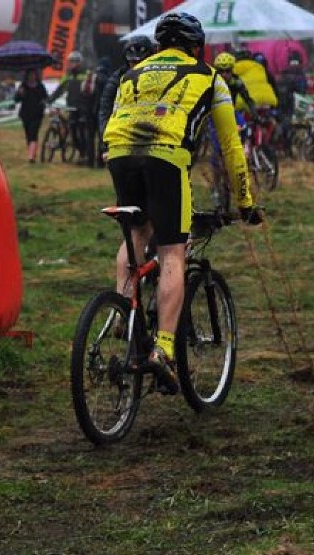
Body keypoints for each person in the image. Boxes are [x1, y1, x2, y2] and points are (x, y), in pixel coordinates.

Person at [103, 12, 262, 394]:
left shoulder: (132, 73)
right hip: (166, 156)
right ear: (196, 47)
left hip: (120, 153)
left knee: (137, 232)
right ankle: (164, 350)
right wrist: (244, 201)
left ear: (159, 46)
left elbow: (114, 118)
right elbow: (231, 147)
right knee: (173, 251)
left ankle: (127, 317)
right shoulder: (209, 76)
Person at [48, 51, 93, 165]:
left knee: (82, 133)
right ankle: (80, 152)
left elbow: (91, 90)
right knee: (73, 133)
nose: (71, 64)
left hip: (83, 108)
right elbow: (60, 89)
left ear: (79, 62)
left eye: (73, 61)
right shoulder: (68, 75)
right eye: (70, 61)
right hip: (72, 107)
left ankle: (85, 155)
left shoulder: (87, 74)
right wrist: (50, 100)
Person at [14, 68, 48, 163]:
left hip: (37, 114)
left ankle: (31, 157)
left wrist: (43, 102)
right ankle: (32, 152)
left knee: (33, 133)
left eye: (33, 75)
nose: (32, 77)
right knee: (28, 135)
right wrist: (19, 93)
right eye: (30, 75)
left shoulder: (40, 86)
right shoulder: (23, 86)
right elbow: (16, 99)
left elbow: (45, 98)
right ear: (27, 76)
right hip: (25, 114)